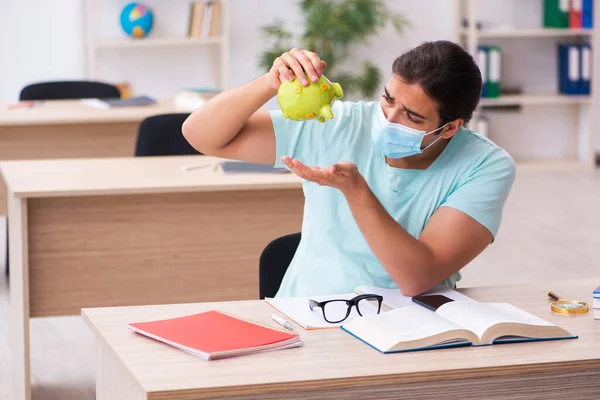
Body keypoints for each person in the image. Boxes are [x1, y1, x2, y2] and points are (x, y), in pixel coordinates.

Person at [182, 40, 516, 298]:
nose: (389, 119)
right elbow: (202, 136)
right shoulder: (339, 123)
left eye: (411, 116)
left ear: (449, 128)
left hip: (415, 325)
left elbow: (416, 279)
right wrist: (271, 82)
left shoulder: (486, 166)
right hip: (308, 315)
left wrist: (356, 192)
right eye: (387, 100)